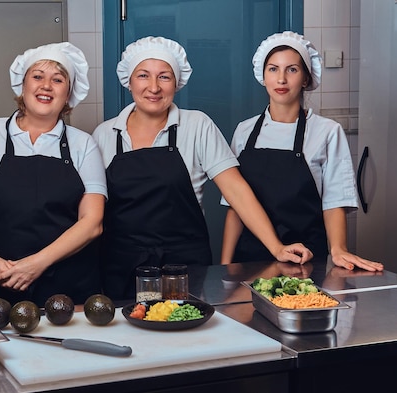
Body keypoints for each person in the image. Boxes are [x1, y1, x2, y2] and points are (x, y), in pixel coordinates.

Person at [92, 36, 313, 301]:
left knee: (187, 335)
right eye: (143, 76)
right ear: (129, 81)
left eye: (164, 77)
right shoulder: (104, 135)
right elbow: (92, 213)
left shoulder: (197, 125)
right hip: (122, 268)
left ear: (177, 83)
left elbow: (236, 189)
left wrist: (276, 247)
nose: (153, 87)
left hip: (185, 269)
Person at [0, 42, 107, 307]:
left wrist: (36, 264)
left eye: (58, 80)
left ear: (68, 94)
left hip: (68, 290)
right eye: (37, 77)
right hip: (1, 281)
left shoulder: (84, 144)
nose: (46, 86)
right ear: (23, 86)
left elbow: (92, 222)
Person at [220, 31, 383, 272]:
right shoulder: (244, 131)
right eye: (273, 69)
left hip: (305, 261)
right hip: (249, 261)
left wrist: (338, 248)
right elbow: (236, 204)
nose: (281, 79)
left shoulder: (327, 131)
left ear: (306, 79)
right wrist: (225, 265)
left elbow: (334, 200)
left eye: (292, 70)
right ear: (263, 76)